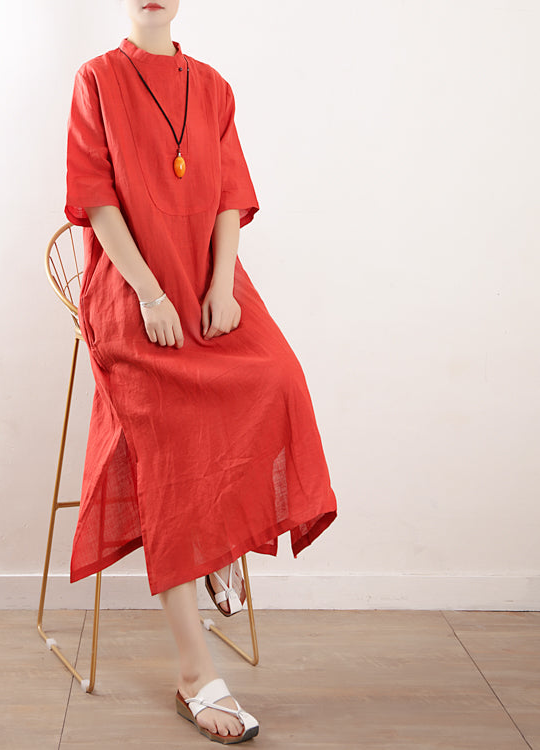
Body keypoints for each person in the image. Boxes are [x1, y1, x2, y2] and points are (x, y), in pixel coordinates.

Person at [63, 0, 338, 743]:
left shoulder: (213, 86)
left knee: (277, 378)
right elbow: (95, 200)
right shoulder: (96, 79)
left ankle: (217, 543)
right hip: (132, 294)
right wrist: (151, 294)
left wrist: (221, 285)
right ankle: (193, 672)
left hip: (208, 283)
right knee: (177, 435)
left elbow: (227, 196)